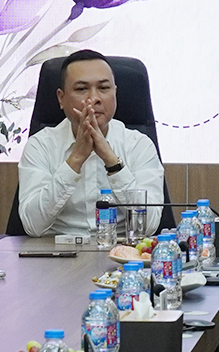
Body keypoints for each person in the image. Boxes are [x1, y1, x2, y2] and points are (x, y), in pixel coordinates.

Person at [17, 51, 165, 238]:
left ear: (115, 93)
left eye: (103, 88)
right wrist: (75, 159)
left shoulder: (139, 145)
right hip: (55, 248)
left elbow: (149, 225)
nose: (94, 98)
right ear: (61, 98)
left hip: (121, 248)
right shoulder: (40, 145)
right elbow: (32, 225)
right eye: (81, 89)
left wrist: (112, 161)